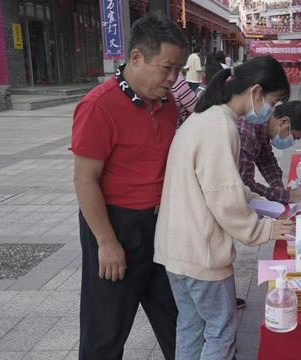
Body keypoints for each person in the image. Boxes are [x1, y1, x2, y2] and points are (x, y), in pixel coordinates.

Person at [153, 56, 294, 360]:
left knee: (190, 326)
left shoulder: (204, 117)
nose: (271, 108)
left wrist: (257, 200)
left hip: (176, 248)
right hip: (200, 252)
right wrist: (265, 228)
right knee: (221, 331)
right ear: (256, 92)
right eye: (273, 100)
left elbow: (219, 185)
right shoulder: (221, 126)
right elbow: (224, 200)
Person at [71, 14, 187, 360]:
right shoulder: (98, 106)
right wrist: (106, 243)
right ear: (136, 57)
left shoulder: (167, 105)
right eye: (166, 68)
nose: (172, 78)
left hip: (159, 225)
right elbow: (84, 179)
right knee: (106, 331)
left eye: (178, 69)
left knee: (179, 321)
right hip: (116, 226)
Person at [237, 100, 301, 204]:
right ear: (283, 122)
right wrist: (287, 196)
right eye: (294, 137)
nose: (292, 142)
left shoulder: (262, 126)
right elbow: (245, 186)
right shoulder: (245, 134)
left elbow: (266, 159)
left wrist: (277, 186)